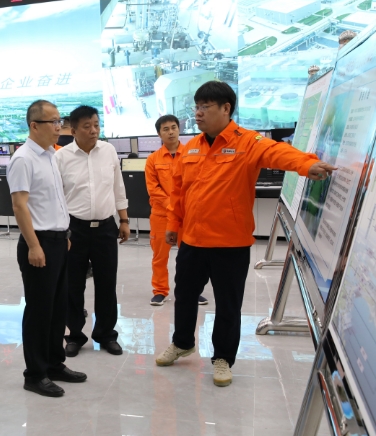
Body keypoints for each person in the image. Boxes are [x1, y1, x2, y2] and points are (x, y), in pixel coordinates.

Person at [155, 81, 336, 387]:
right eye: (196, 107)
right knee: (184, 296)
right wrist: (173, 224)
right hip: (192, 241)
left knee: (228, 304)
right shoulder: (192, 147)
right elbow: (178, 191)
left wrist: (307, 165)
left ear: (226, 108)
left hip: (230, 244)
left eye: (205, 107)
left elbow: (280, 153)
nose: (197, 113)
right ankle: (182, 342)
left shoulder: (248, 142)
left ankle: (223, 358)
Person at [9, 99, 88, 398]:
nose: (59, 127)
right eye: (53, 122)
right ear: (34, 125)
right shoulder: (23, 159)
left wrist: (63, 232)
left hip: (57, 240)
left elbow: (55, 200)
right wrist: (34, 245)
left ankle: (55, 364)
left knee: (57, 309)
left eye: (59, 121)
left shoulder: (51, 155)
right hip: (38, 243)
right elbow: (20, 206)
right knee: (40, 312)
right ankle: (35, 374)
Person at [55, 105, 129, 358]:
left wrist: (124, 219)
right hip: (73, 229)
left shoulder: (108, 151)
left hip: (106, 228)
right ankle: (75, 335)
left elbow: (118, 187)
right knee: (72, 285)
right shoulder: (61, 157)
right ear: (73, 130)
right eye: (87, 126)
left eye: (96, 125)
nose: (93, 130)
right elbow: (57, 196)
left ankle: (106, 334)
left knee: (107, 283)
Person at [145, 115, 207, 307]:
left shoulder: (192, 155)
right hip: (161, 215)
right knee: (160, 256)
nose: (170, 132)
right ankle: (160, 291)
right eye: (166, 129)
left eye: (173, 127)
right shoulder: (153, 159)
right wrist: (173, 205)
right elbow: (153, 189)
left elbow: (198, 183)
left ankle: (192, 291)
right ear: (159, 134)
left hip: (187, 215)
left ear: (179, 130)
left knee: (190, 257)